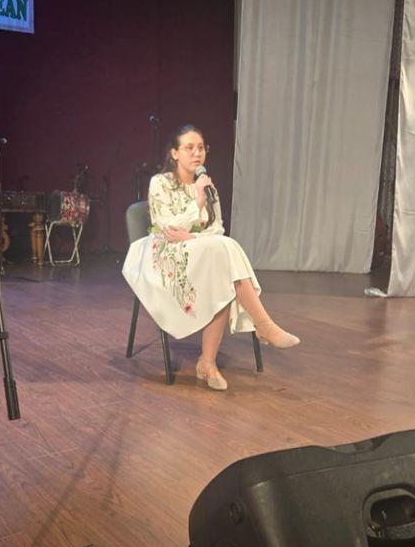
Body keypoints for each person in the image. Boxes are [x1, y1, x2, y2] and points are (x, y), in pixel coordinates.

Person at [122, 125, 300, 391]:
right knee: (224, 254)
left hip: (197, 247)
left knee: (223, 254)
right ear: (175, 153)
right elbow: (168, 227)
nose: (197, 153)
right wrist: (197, 201)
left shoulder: (206, 184)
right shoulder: (161, 183)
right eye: (189, 148)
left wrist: (193, 236)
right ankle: (262, 326)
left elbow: (216, 228)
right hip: (163, 251)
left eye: (201, 148)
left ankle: (208, 362)